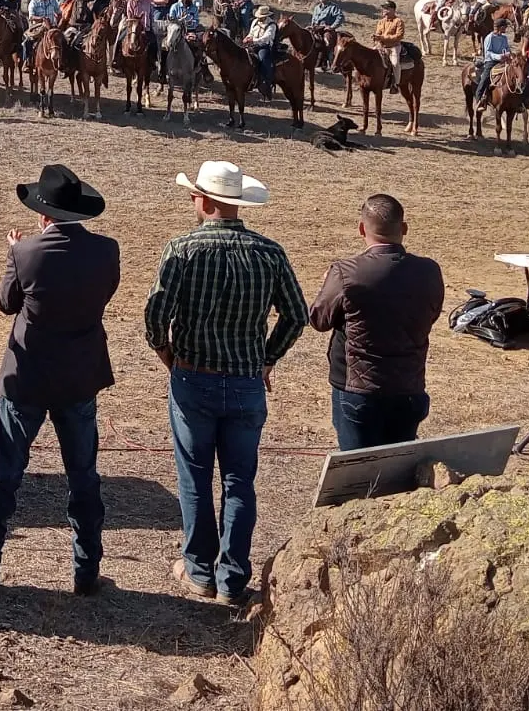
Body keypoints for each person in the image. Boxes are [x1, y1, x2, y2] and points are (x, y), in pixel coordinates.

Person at [0, 165, 120, 596]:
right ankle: (86, 571)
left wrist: (14, 254)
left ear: (44, 215)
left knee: (4, 474)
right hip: (79, 377)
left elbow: (6, 303)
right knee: (83, 475)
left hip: (27, 378)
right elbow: (103, 295)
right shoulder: (106, 251)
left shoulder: (26, 252)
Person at [146, 161, 304, 606]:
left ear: (207, 200)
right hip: (245, 380)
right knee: (239, 480)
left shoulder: (182, 249)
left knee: (194, 478)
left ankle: (199, 570)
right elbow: (296, 315)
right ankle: (232, 578)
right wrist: (266, 360)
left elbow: (156, 316)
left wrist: (169, 356)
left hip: (194, 376)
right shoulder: (269, 253)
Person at [308, 195, 444, 451]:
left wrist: (327, 284)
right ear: (403, 229)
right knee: (397, 475)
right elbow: (432, 314)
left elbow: (318, 319)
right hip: (408, 386)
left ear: (362, 229)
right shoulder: (429, 271)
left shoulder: (346, 272)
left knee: (358, 472)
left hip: (358, 389)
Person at [472, 18, 511, 104]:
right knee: (485, 78)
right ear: (500, 27)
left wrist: (508, 54)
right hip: (491, 61)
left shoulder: (504, 38)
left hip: (504, 61)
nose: (506, 29)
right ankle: (479, 100)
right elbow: (488, 53)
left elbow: (507, 48)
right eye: (505, 27)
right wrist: (499, 57)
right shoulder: (490, 37)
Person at [246, 4, 279, 95]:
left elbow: (267, 38)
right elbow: (251, 33)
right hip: (252, 44)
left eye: (261, 17)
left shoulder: (272, 25)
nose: (259, 18)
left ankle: (265, 81)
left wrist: (254, 40)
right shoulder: (255, 22)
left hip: (264, 46)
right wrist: (247, 38)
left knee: (263, 59)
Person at [374, 1, 405, 92]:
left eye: (387, 8)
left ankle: (396, 84)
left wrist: (383, 37)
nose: (385, 11)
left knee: (395, 63)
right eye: (384, 8)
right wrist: (376, 39)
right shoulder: (381, 22)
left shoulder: (398, 21)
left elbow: (399, 36)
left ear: (393, 10)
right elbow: (378, 33)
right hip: (381, 46)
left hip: (393, 47)